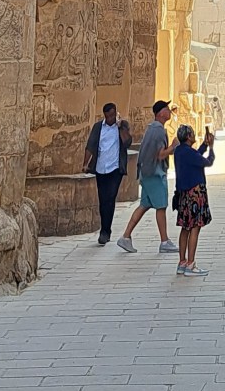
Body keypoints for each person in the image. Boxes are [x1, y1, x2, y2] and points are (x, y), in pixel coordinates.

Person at [116, 99, 179, 254]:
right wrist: (173, 146)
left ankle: (125, 237)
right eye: (167, 108)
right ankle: (164, 241)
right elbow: (160, 155)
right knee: (161, 206)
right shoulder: (158, 130)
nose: (169, 111)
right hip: (154, 174)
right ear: (161, 113)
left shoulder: (152, 128)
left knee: (144, 205)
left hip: (146, 172)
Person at [82, 101, 131, 245]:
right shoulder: (98, 127)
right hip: (100, 168)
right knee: (103, 201)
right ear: (104, 116)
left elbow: (127, 142)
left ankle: (106, 231)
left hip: (115, 169)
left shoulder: (122, 125)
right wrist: (85, 163)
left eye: (112, 115)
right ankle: (104, 229)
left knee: (110, 198)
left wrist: (120, 126)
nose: (110, 119)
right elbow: (90, 145)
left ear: (115, 113)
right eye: (108, 116)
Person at [170, 123, 216, 275]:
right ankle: (191, 263)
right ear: (189, 137)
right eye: (193, 134)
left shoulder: (179, 151)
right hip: (195, 193)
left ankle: (182, 262)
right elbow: (207, 161)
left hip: (183, 194)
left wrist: (204, 144)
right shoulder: (189, 153)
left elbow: (195, 155)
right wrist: (211, 148)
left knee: (185, 228)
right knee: (195, 227)